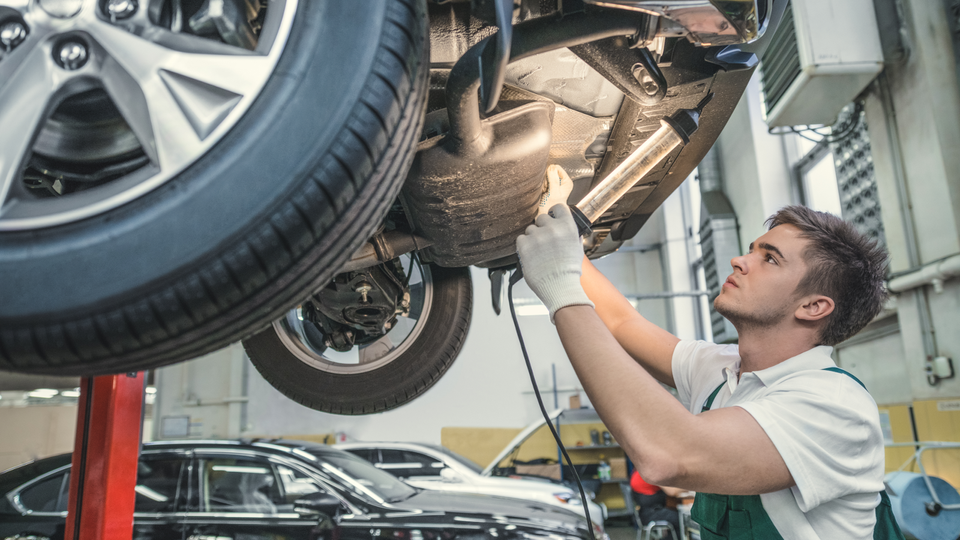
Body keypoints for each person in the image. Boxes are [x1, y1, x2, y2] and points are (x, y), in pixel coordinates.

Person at [516, 203, 900, 539]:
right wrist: (560, 235)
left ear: (813, 306)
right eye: (752, 249)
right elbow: (621, 323)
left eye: (770, 258)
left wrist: (561, 288)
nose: (739, 260)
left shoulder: (832, 404)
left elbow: (668, 453)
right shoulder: (720, 370)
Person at [629, 469, 683, 534]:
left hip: (643, 514)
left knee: (676, 513)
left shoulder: (640, 472)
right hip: (650, 514)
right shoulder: (652, 474)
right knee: (680, 518)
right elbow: (673, 491)